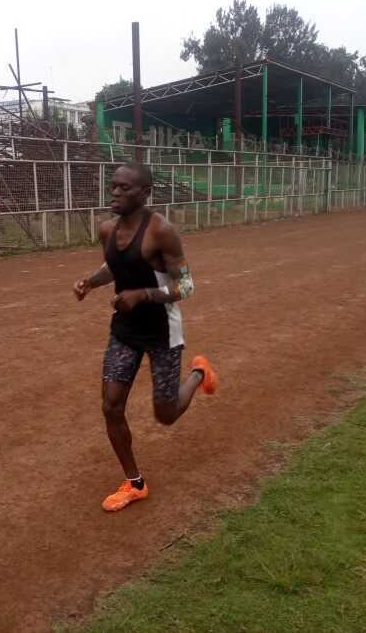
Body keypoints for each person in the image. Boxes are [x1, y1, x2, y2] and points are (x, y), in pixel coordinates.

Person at [73, 162, 218, 512]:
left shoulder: (161, 231)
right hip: (125, 330)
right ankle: (135, 483)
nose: (116, 193)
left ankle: (199, 374)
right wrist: (91, 282)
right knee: (111, 406)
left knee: (165, 415)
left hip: (162, 331)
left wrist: (143, 295)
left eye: (125, 188)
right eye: (113, 186)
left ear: (145, 193)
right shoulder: (107, 230)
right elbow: (114, 266)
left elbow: (186, 285)